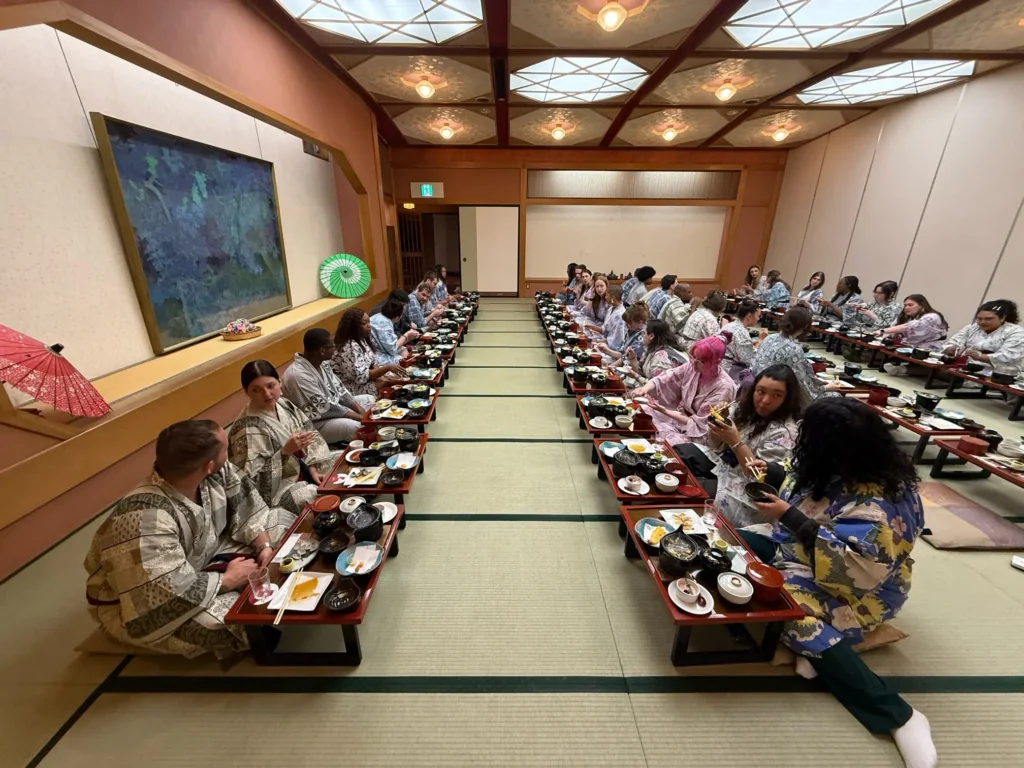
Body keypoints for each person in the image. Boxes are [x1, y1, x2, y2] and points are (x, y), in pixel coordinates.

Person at [745, 398, 935, 768]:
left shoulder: (881, 501)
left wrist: (790, 516)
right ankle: (819, 654)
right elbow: (794, 475)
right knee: (729, 544)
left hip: (859, 589)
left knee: (786, 610)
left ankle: (899, 715)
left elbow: (858, 571)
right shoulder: (833, 463)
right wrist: (767, 472)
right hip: (796, 551)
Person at [85, 420, 293, 658]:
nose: (230, 455)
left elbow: (248, 507)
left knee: (281, 521)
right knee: (235, 621)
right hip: (141, 602)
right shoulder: (143, 520)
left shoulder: (216, 470)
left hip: (210, 554)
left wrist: (263, 546)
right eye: (226, 450)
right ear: (208, 465)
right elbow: (158, 596)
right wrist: (226, 580)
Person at [229, 360, 337, 516]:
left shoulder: (284, 404)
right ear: (247, 392)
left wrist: (313, 470)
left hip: (305, 467)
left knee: (341, 463)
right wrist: (285, 452)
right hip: (280, 489)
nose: (266, 394)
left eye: (271, 386)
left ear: (279, 382)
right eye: (256, 390)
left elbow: (310, 434)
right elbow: (252, 483)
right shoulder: (247, 429)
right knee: (312, 495)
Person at [706, 364, 801, 528]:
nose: (765, 400)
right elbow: (716, 446)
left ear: (787, 399)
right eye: (761, 391)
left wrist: (736, 441)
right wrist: (717, 424)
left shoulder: (786, 432)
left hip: (745, 492)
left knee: (697, 489)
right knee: (684, 455)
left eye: (777, 395)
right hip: (723, 468)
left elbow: (759, 479)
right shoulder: (744, 409)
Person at [631, 334, 737, 447]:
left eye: (701, 361)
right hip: (679, 417)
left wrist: (665, 411)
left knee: (664, 441)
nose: (694, 363)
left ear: (717, 362)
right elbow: (668, 376)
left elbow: (701, 426)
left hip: (699, 434)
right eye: (692, 357)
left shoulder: (725, 387)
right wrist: (644, 389)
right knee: (642, 412)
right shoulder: (692, 366)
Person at [281, 328, 376, 445]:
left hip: (333, 409)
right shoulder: (297, 375)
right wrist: (360, 417)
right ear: (322, 350)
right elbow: (324, 407)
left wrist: (361, 412)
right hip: (315, 424)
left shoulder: (322, 363)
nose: (335, 349)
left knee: (369, 400)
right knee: (355, 427)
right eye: (333, 347)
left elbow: (340, 390)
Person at [752, 307, 841, 404]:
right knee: (835, 397)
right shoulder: (793, 349)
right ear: (805, 327)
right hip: (775, 392)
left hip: (758, 385)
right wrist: (825, 388)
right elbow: (802, 387)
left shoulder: (770, 337)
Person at [332, 308, 405, 397]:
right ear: (353, 327)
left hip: (365, 380)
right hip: (349, 388)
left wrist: (381, 375)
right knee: (388, 384)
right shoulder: (348, 346)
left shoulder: (362, 339)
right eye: (364, 323)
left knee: (394, 379)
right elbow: (361, 377)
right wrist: (387, 368)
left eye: (369, 322)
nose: (369, 326)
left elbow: (373, 361)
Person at [943, 299, 1024, 375]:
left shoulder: (1016, 332)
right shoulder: (972, 328)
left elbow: (1008, 356)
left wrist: (980, 357)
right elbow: (954, 342)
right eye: (979, 319)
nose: (983, 322)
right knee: (943, 372)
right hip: (968, 368)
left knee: (975, 376)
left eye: (988, 319)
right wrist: (951, 349)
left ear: (1002, 318)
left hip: (997, 373)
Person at [623, 318, 687, 388]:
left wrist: (635, 376)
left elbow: (657, 387)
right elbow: (641, 373)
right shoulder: (652, 349)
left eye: (644, 333)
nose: (642, 336)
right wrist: (632, 359)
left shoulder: (662, 357)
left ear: (651, 336)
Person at [882, 294, 948, 351]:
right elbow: (893, 327)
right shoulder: (906, 316)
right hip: (906, 348)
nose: (906, 307)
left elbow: (911, 327)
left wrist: (883, 331)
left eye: (910, 305)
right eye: (905, 305)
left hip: (929, 350)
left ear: (921, 305)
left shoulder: (932, 317)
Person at [720, 300, 767, 379]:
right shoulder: (741, 332)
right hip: (728, 372)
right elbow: (749, 360)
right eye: (758, 316)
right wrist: (760, 341)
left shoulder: (729, 325)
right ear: (749, 316)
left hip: (720, 364)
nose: (758, 319)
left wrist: (752, 343)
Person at [372, 298, 420, 364]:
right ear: (397, 318)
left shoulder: (379, 315)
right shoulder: (385, 324)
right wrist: (406, 336)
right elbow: (392, 349)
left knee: (403, 349)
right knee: (401, 360)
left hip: (381, 349)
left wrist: (408, 337)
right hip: (375, 354)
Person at [592, 283, 626, 350]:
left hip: (613, 348)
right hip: (605, 340)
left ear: (612, 297)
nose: (605, 297)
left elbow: (616, 339)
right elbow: (605, 328)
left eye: (607, 295)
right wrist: (594, 328)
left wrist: (600, 342)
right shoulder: (611, 309)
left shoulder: (620, 314)